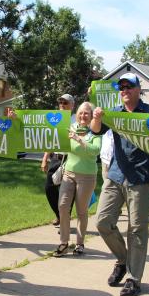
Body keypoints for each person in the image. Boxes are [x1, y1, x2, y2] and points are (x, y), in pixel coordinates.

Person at [90, 73, 149, 296]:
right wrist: (96, 117)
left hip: (140, 178)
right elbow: (95, 129)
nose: (124, 90)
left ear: (139, 89)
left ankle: (134, 278)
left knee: (137, 230)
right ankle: (123, 259)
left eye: (129, 87)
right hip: (115, 174)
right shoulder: (114, 112)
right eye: (121, 87)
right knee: (102, 221)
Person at [53, 102, 101, 257]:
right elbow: (61, 143)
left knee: (81, 211)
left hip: (87, 176)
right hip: (69, 173)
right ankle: (63, 242)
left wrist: (79, 140)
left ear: (92, 115)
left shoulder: (95, 130)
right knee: (62, 206)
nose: (83, 116)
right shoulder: (71, 127)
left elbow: (95, 151)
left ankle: (79, 244)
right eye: (81, 112)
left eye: (86, 113)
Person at [41, 94, 76, 226]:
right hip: (56, 158)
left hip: (71, 159)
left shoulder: (75, 120)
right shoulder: (54, 120)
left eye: (65, 102)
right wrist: (45, 158)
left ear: (72, 105)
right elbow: (50, 140)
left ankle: (64, 221)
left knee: (67, 192)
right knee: (49, 188)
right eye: (60, 102)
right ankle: (59, 215)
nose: (62, 104)